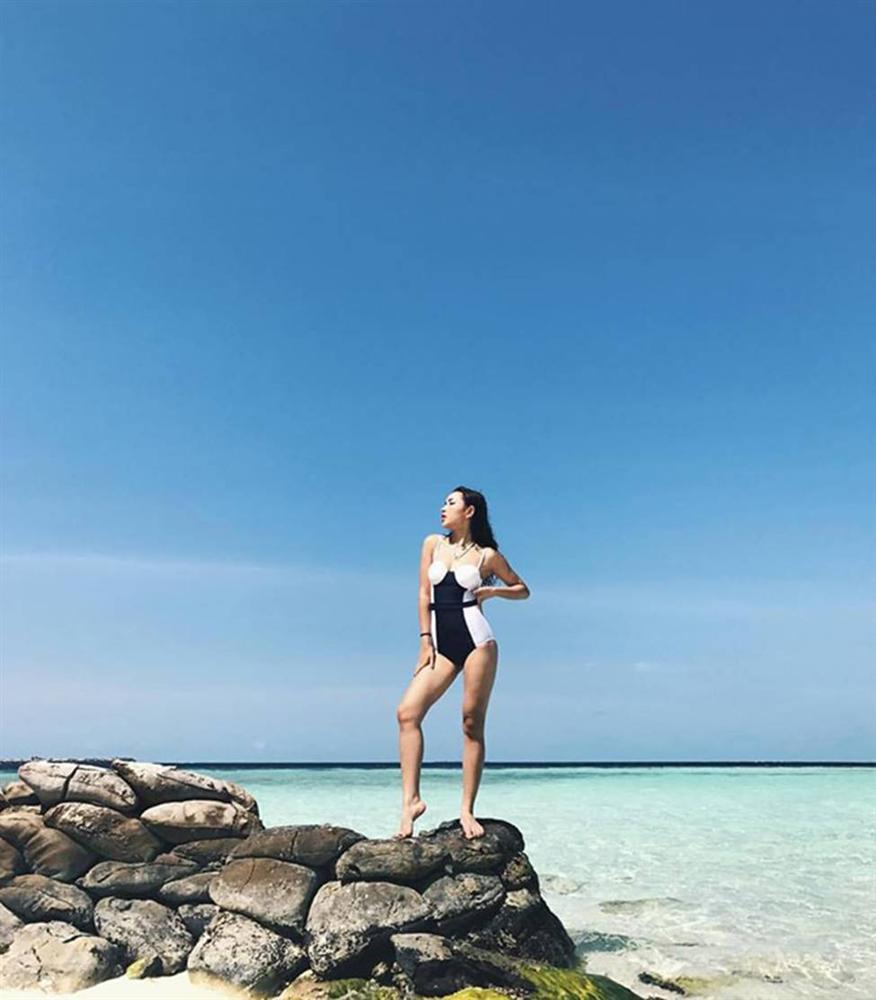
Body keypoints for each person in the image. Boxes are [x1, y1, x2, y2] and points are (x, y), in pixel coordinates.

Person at [394, 486, 530, 840]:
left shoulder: (487, 556)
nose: (443, 508)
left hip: (478, 642)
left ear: (469, 511)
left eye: (451, 503)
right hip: (440, 645)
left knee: (471, 722)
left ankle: (467, 809)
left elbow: (522, 589)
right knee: (407, 713)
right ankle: (411, 802)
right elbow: (424, 593)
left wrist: (494, 591)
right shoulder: (432, 544)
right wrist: (425, 640)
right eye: (444, 502)